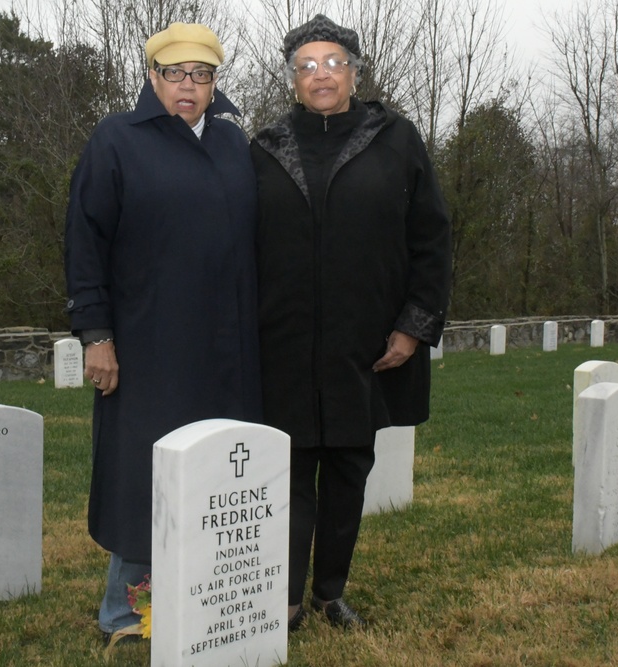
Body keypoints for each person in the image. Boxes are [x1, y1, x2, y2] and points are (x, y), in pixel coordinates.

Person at [250, 15, 452, 631]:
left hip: (364, 345)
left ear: (355, 71)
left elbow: (431, 237)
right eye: (307, 66)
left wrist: (413, 325)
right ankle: (284, 598)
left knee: (346, 471)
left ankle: (329, 590)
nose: (321, 75)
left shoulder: (395, 139)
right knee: (287, 474)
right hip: (282, 343)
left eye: (333, 62)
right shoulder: (262, 148)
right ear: (292, 80)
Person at [64, 22, 262, 643]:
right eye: (175, 73)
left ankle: (204, 599)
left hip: (227, 348)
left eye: (201, 75)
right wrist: (96, 334)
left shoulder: (235, 146)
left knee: (214, 475)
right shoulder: (117, 139)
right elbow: (84, 243)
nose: (188, 86)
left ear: (214, 83)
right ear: (152, 76)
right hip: (147, 346)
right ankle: (126, 613)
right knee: (141, 478)